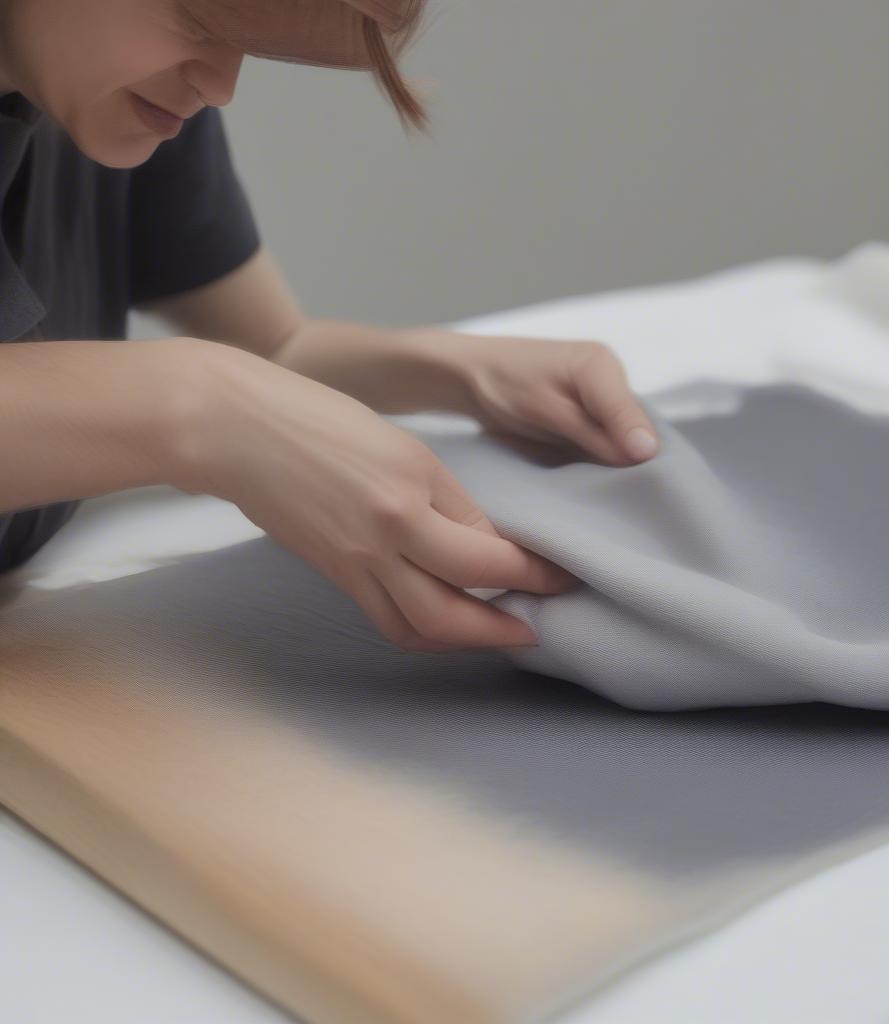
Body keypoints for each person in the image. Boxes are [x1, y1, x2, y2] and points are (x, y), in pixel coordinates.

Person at [0, 0, 661, 653]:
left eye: (244, 44)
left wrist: (460, 373)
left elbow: (275, 345)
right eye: (198, 26)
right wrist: (201, 408)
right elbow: (227, 394)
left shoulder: (123, 88)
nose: (221, 87)